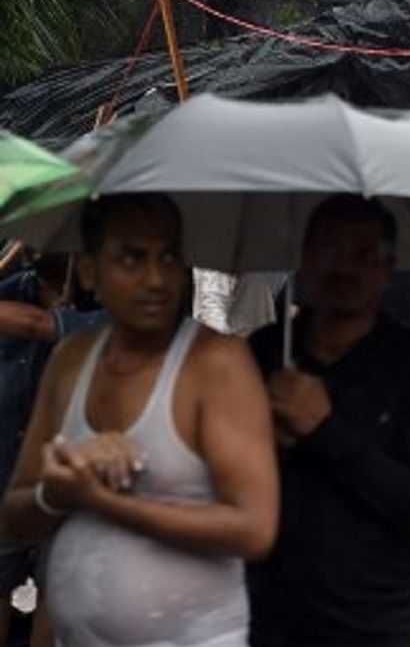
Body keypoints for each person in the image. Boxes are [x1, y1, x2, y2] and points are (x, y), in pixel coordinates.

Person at [1, 193, 279, 647]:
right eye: (132, 258)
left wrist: (103, 500)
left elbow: (254, 531)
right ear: (89, 268)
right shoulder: (72, 361)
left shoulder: (218, 363)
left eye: (169, 257)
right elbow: (15, 517)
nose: (155, 278)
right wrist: (56, 491)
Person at [246, 194, 410, 647]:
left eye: (364, 254)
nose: (344, 268)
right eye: (329, 250)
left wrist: (325, 430)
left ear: (388, 268)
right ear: (303, 258)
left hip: (376, 627)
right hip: (269, 621)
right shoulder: (265, 352)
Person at [0, 252, 106, 646]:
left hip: (70, 480)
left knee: (57, 597)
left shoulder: (109, 310)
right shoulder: (13, 287)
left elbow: (35, 324)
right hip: (6, 470)